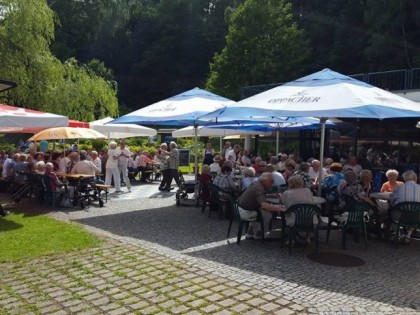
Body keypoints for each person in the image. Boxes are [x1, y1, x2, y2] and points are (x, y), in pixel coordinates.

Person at [237, 172, 285, 239]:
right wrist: (280, 208)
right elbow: (264, 205)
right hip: (246, 211)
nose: (272, 183)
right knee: (268, 214)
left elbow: (257, 196)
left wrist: (269, 195)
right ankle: (260, 234)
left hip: (242, 208)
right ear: (264, 181)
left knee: (262, 210)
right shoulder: (259, 188)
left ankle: (250, 232)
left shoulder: (257, 183)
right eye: (271, 181)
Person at [390, 170, 420, 243]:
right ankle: (408, 235)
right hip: (417, 217)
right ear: (415, 178)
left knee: (390, 211)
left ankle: (398, 234)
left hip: (400, 217)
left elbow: (392, 201)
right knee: (414, 212)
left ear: (404, 179)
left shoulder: (398, 188)